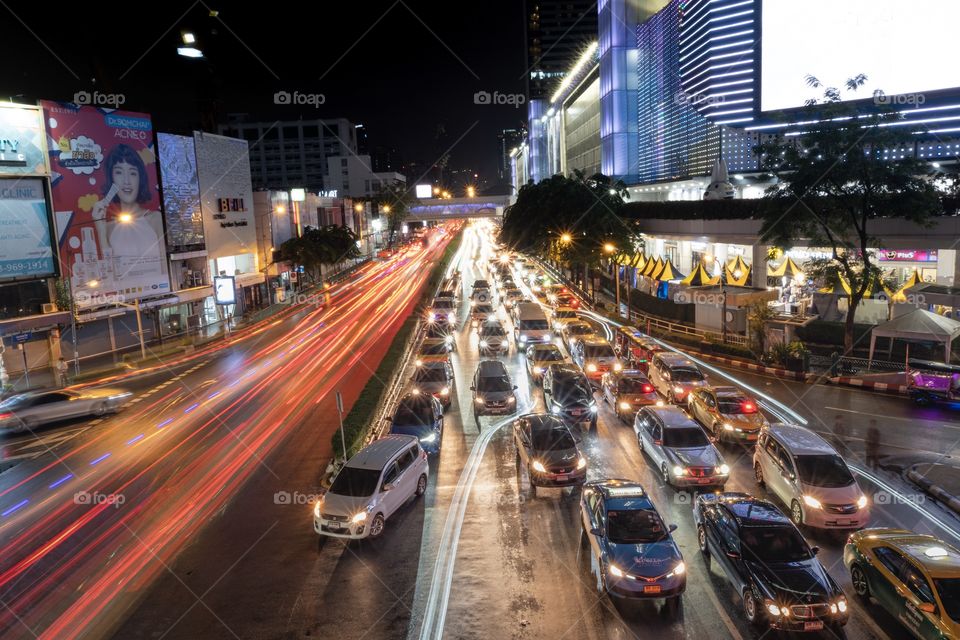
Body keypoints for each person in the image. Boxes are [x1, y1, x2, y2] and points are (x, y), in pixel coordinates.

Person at [91, 144, 166, 281]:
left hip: (157, 290)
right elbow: (109, 277)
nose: (126, 181)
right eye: (119, 172)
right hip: (124, 293)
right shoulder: (107, 228)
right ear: (111, 178)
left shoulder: (155, 219)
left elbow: (166, 270)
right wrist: (101, 230)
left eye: (132, 173)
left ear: (140, 178)